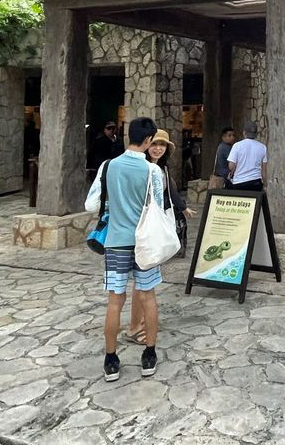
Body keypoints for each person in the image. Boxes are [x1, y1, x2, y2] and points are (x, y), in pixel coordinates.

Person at [84, 117, 165, 382]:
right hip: (144, 243)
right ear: (148, 140)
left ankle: (111, 359)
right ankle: (149, 354)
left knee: (115, 300)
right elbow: (158, 206)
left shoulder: (108, 166)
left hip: (116, 241)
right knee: (148, 297)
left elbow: (91, 205)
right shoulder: (152, 171)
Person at [125, 129, 197, 344]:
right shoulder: (142, 167)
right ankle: (135, 326)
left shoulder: (162, 168)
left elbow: (170, 192)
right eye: (155, 144)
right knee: (142, 280)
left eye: (162, 145)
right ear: (147, 144)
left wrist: (182, 207)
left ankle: (139, 322)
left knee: (144, 280)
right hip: (142, 227)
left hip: (155, 226)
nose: (158, 148)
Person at [226, 121, 267, 191]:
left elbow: (231, 166)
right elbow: (264, 171)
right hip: (256, 184)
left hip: (239, 183)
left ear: (244, 133)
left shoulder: (237, 146)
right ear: (256, 134)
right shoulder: (263, 147)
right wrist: (265, 185)